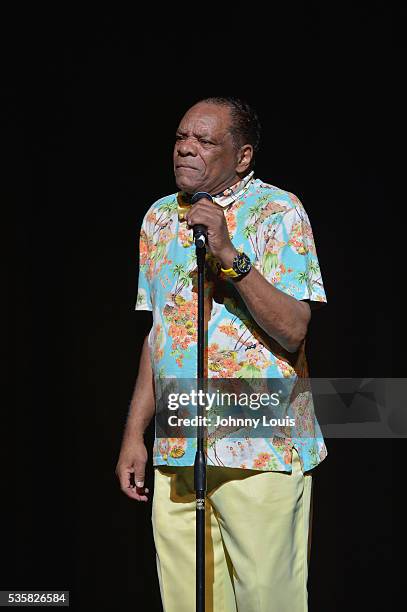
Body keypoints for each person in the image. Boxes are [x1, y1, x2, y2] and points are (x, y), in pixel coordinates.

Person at [115, 97, 328, 612]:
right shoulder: (159, 218)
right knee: (188, 602)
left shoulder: (280, 211)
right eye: (181, 137)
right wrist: (133, 435)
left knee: (267, 602)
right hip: (179, 445)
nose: (186, 148)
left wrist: (229, 255)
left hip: (260, 446)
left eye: (205, 140)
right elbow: (160, 334)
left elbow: (295, 328)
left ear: (242, 155)